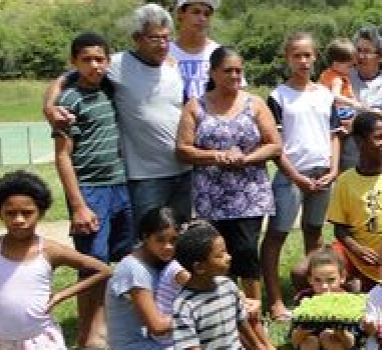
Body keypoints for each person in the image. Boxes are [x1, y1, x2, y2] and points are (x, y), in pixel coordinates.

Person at [43, 3, 192, 226]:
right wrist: (49, 107)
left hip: (183, 172)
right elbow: (66, 78)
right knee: (147, 240)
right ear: (137, 38)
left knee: (179, 237)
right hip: (145, 177)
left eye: (166, 38)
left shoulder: (173, 67)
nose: (162, 45)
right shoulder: (117, 64)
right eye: (154, 38)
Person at [0, 170, 112, 349]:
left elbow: (103, 270)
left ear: (40, 213)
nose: (19, 220)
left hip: (40, 340)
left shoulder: (51, 250)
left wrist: (60, 295)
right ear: (0, 214)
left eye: (27, 213)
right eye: (11, 213)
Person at [175, 46, 281, 329]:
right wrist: (215, 156)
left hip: (249, 194)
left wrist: (245, 158)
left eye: (238, 70)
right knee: (216, 256)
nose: (234, 76)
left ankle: (254, 316)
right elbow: (183, 150)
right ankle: (224, 311)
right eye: (228, 71)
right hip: (212, 195)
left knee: (246, 250)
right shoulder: (196, 106)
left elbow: (274, 144)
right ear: (212, 73)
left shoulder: (255, 104)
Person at [49, 31, 134, 348]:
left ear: (108, 62)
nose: (94, 66)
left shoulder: (112, 90)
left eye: (100, 59)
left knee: (125, 259)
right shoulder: (68, 102)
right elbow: (62, 156)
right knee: (92, 264)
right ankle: (88, 335)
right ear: (74, 63)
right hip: (90, 190)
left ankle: (118, 325)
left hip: (121, 187)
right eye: (86, 60)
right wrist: (79, 205)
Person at [262, 31, 342, 322]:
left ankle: (313, 294)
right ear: (288, 58)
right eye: (297, 55)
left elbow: (334, 136)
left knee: (314, 233)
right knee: (277, 235)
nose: (303, 61)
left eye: (308, 55)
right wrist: (294, 176)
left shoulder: (323, 94)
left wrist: (333, 169)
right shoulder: (278, 96)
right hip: (290, 175)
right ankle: (275, 301)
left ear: (315, 56)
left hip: (322, 174)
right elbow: (274, 143)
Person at [319, 111, 382, 290]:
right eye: (378, 137)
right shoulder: (345, 181)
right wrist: (357, 250)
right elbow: (339, 228)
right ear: (359, 142)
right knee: (303, 270)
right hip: (355, 255)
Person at [171, 221, 272, 350]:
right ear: (199, 267)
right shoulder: (184, 305)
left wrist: (258, 346)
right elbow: (190, 346)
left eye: (226, 251)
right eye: (220, 255)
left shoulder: (228, 286)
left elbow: (241, 322)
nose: (229, 257)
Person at [106, 207, 182, 350]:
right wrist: (198, 314)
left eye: (174, 240)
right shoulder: (134, 269)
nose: (168, 247)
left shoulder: (161, 261)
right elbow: (157, 326)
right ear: (145, 237)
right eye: (160, 240)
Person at [343, 26, 382, 170]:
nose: (361, 56)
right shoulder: (344, 77)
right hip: (346, 160)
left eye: (367, 52)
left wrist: (352, 122)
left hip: (376, 161)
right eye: (359, 50)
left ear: (380, 57)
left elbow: (377, 115)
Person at [289, 247, 359, 350]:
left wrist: (339, 330)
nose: (324, 286)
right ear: (310, 279)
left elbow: (352, 344)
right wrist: (305, 327)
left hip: (339, 344)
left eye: (331, 280)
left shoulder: (349, 302)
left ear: (342, 277)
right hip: (311, 344)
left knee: (328, 337)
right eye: (317, 280)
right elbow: (295, 342)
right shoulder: (304, 299)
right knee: (309, 341)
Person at [170, 0, 221, 100]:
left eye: (206, 14)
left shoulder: (219, 53)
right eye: (196, 12)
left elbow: (236, 93)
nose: (202, 18)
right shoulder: (164, 52)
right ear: (180, 13)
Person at [320, 38, 364, 121]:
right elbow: (335, 96)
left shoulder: (326, 73)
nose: (352, 69)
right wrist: (353, 103)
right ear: (336, 64)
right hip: (339, 112)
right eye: (349, 66)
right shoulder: (337, 79)